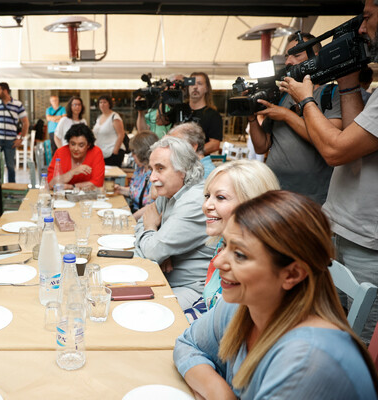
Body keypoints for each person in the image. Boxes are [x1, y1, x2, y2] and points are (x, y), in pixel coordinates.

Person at [174, 191, 378, 399]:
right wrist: (221, 394)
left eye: (240, 255)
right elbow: (187, 344)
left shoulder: (307, 361)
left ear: (292, 274)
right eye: (225, 245)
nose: (218, 263)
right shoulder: (243, 303)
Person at [281, 0, 378, 343]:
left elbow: (335, 150)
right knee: (325, 322)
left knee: (356, 340)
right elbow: (353, 144)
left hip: (368, 240)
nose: (362, 29)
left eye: (365, 17)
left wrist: (306, 100)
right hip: (340, 225)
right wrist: (349, 82)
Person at [249, 33, 342, 204]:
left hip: (312, 198)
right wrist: (251, 117)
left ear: (316, 57)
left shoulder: (331, 94)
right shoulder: (282, 97)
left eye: (296, 54)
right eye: (286, 56)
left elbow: (329, 141)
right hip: (274, 192)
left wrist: (286, 115)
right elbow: (262, 147)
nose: (288, 62)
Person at [183, 160, 280, 322]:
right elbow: (209, 303)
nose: (206, 205)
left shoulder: (260, 268)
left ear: (252, 204)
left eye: (220, 197)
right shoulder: (223, 245)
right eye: (207, 196)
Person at [134, 135, 214, 308]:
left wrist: (152, 231)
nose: (152, 178)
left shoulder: (195, 200)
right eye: (151, 169)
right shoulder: (171, 191)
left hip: (192, 290)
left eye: (160, 168)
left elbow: (153, 248)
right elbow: (142, 221)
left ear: (183, 169)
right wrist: (159, 245)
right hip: (162, 278)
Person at [161, 72, 223, 155]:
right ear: (187, 87)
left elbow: (214, 144)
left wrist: (190, 154)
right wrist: (164, 96)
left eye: (200, 84)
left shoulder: (213, 115)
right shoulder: (179, 108)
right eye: (192, 84)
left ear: (206, 88)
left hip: (197, 162)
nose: (195, 87)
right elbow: (160, 121)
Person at [114, 131, 158, 219]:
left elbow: (152, 207)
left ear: (143, 152)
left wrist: (130, 219)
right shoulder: (140, 170)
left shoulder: (155, 175)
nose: (132, 156)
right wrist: (120, 189)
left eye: (134, 153)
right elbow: (137, 192)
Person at [47, 123, 105, 190]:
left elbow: (98, 184)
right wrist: (72, 172)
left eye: (81, 145)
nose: (76, 149)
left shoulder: (96, 152)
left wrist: (72, 187)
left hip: (89, 198)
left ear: (88, 145)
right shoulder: (61, 152)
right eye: (73, 144)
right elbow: (50, 184)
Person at [0, 81, 29, 183]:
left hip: (11, 141)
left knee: (10, 167)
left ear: (5, 91)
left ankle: (11, 188)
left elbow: (25, 123)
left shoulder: (17, 104)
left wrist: (21, 139)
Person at [92, 95, 126, 166]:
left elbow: (121, 134)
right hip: (102, 153)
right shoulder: (99, 118)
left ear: (109, 104)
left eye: (104, 102)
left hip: (113, 152)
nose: (102, 104)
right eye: (100, 102)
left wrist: (115, 151)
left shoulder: (114, 116)